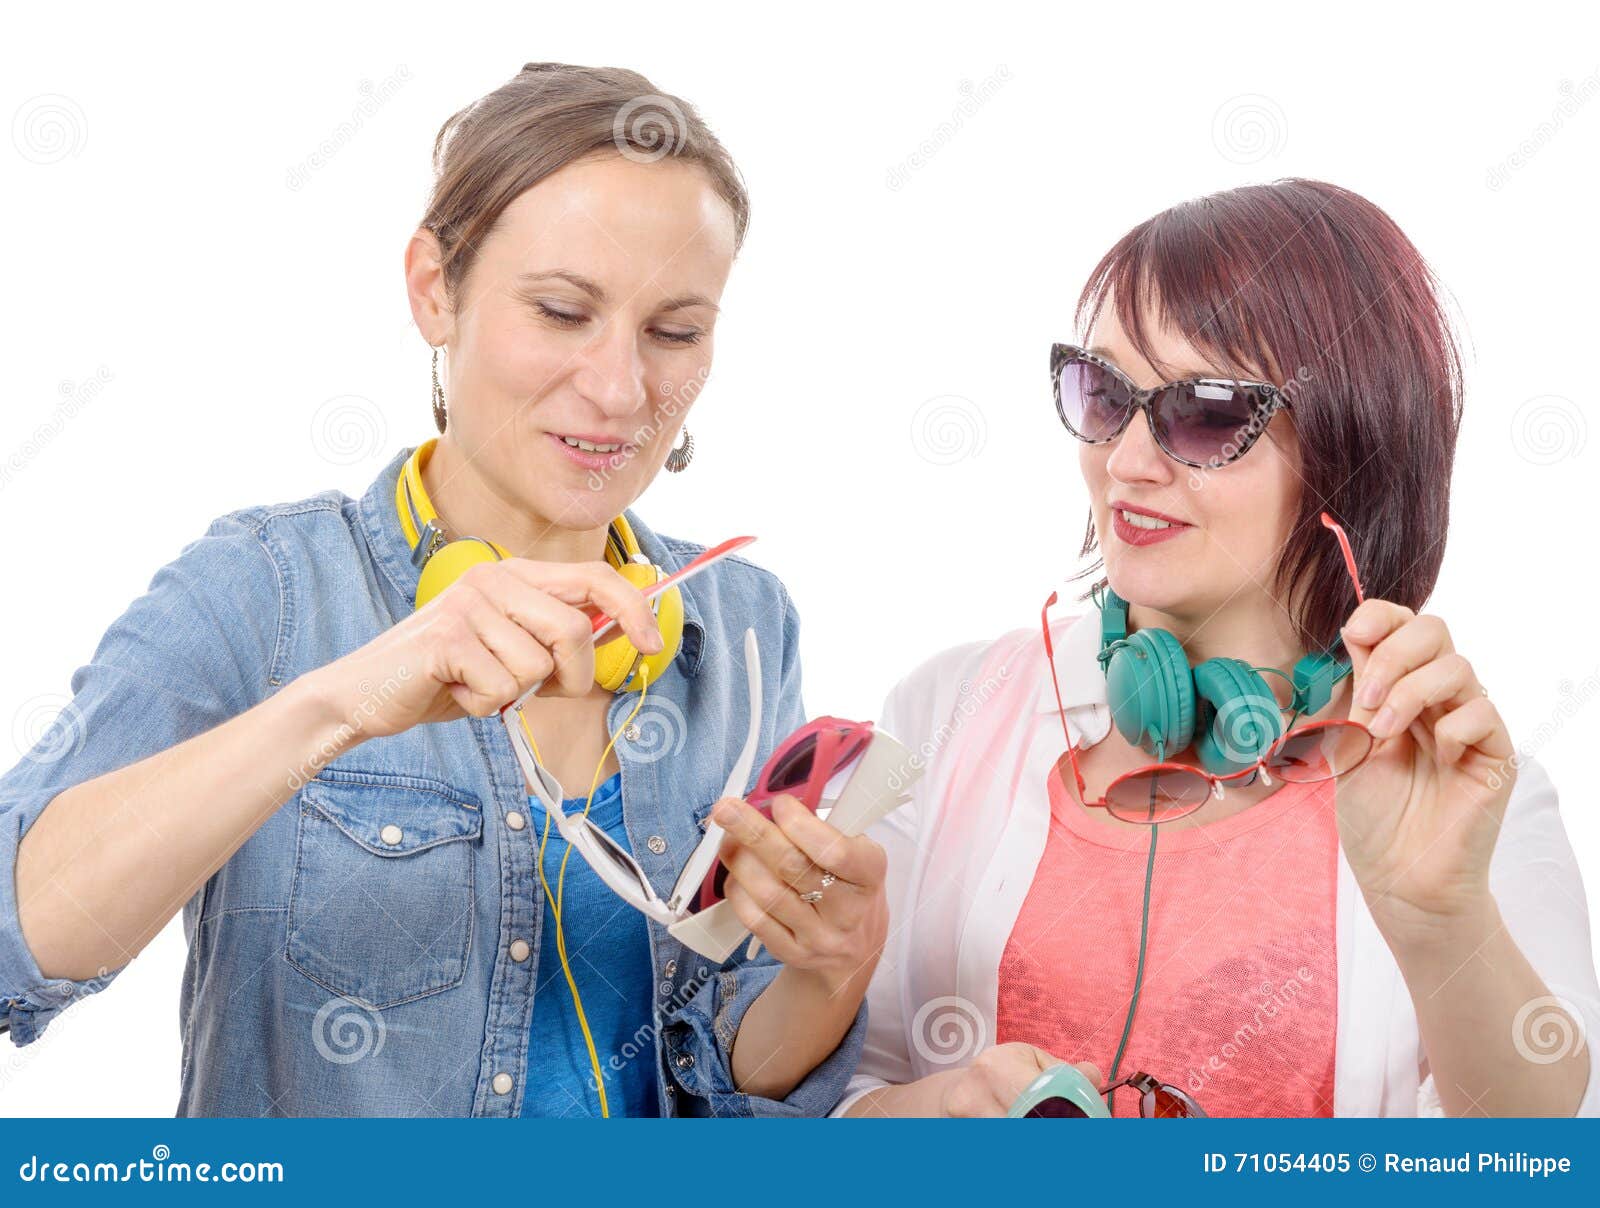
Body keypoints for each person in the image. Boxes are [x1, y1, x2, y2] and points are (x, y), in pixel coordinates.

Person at [0, 62, 886, 1118]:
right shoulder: (265, 590)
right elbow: (16, 943)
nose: (620, 388)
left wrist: (827, 972)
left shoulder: (743, 623)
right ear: (434, 288)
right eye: (562, 311)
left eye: (675, 331)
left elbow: (723, 1067)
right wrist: (335, 704)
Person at [840, 179, 1600, 1117]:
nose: (1125, 462)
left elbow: (1535, 1154)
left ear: (1351, 443)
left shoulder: (1472, 791)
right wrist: (931, 1114)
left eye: (1202, 413)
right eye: (1103, 392)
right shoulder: (945, 708)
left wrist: (1441, 919)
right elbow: (827, 1090)